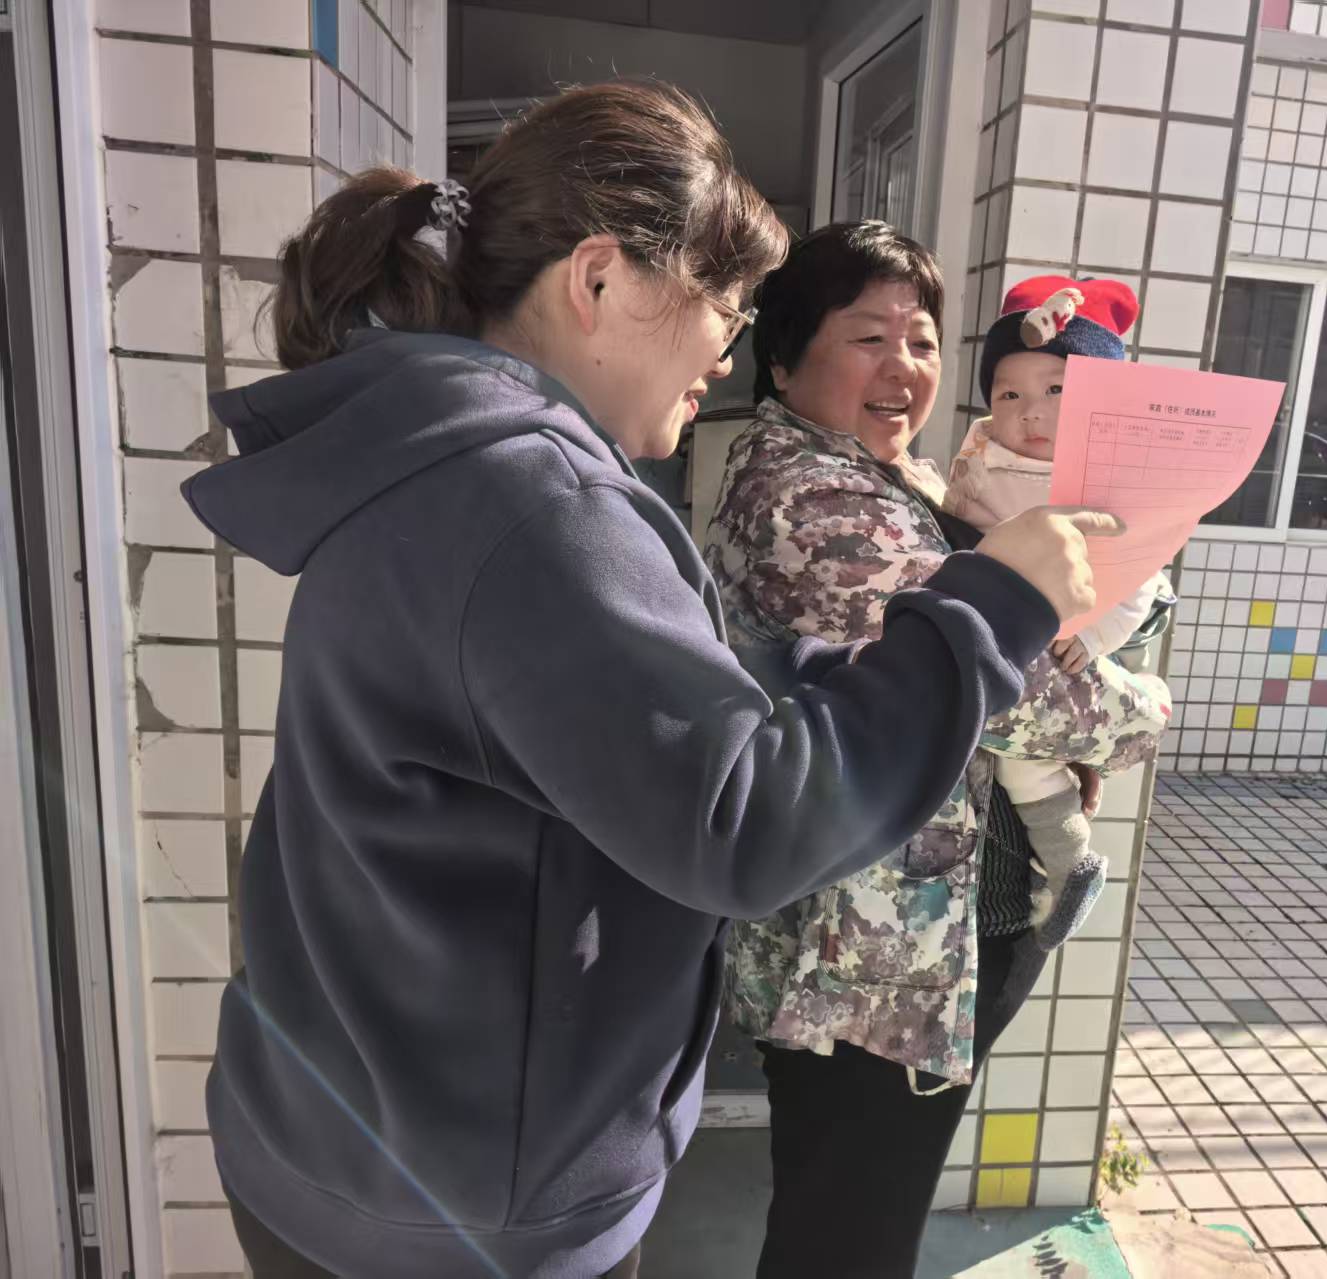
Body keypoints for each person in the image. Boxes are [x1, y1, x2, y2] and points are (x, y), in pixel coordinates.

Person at [180, 85, 1117, 1279]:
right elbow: (742, 822)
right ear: (599, 279)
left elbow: (632, 702)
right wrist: (994, 604)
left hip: (354, 1134)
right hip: (462, 1210)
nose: (725, 351)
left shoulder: (436, 453)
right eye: (724, 308)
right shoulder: (536, 501)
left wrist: (845, 666)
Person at [703, 222, 1169, 1279]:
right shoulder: (816, 502)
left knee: (849, 1218)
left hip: (903, 941)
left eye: (920, 341)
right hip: (867, 966)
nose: (903, 367)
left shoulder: (892, 476)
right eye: (868, 336)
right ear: (783, 356)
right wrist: (1143, 706)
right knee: (848, 1240)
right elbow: (1029, 694)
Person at [945, 275, 1175, 949]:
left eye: (1056, 392)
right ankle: (1073, 863)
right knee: (1023, 760)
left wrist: (1095, 636)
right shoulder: (981, 457)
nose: (1030, 414)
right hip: (1015, 633)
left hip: (1081, 632)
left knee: (1029, 753)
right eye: (1009, 394)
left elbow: (1136, 573)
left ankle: (1070, 856)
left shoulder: (1109, 481)